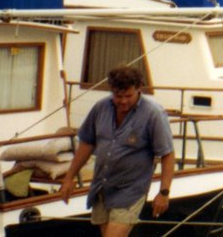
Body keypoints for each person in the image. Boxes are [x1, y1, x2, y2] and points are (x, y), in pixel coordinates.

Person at [61, 66, 175, 236]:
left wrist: (164, 192)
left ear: (139, 89)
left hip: (130, 190)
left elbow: (167, 154)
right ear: (111, 90)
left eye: (128, 96)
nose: (123, 101)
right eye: (118, 96)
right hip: (102, 188)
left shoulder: (153, 114)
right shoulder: (100, 108)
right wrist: (69, 177)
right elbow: (87, 143)